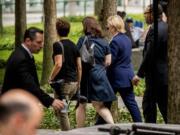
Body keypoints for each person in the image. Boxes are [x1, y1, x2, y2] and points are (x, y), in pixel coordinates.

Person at [1, 27, 64, 110]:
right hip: (14, 106)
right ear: (28, 41)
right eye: (38, 42)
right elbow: (29, 85)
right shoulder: (21, 58)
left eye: (42, 42)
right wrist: (50, 101)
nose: (41, 45)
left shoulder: (23, 53)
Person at [76, 16, 116, 127]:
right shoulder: (104, 42)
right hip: (100, 74)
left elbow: (77, 58)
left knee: (82, 104)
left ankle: (79, 131)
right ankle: (113, 125)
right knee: (99, 105)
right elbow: (108, 62)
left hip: (86, 76)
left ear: (85, 27)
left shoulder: (82, 40)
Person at [133, 4, 168, 123]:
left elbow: (149, 53)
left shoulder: (155, 29)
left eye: (146, 14)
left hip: (155, 76)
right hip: (163, 75)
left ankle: (150, 130)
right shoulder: (166, 26)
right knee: (162, 107)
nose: (144, 17)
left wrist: (139, 74)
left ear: (152, 14)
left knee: (149, 107)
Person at [106, 15, 142, 122]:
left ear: (113, 27)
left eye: (108, 27)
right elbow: (126, 59)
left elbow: (111, 60)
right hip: (127, 77)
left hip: (115, 78)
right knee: (131, 104)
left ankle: (99, 125)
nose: (107, 29)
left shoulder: (115, 41)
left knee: (105, 103)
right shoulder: (126, 39)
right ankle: (140, 124)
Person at [49, 18, 82, 131]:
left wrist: (50, 78)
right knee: (61, 110)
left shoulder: (57, 45)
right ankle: (66, 129)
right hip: (73, 83)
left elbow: (58, 64)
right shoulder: (74, 45)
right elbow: (79, 67)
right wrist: (78, 83)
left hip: (63, 84)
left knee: (62, 113)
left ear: (57, 30)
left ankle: (67, 133)